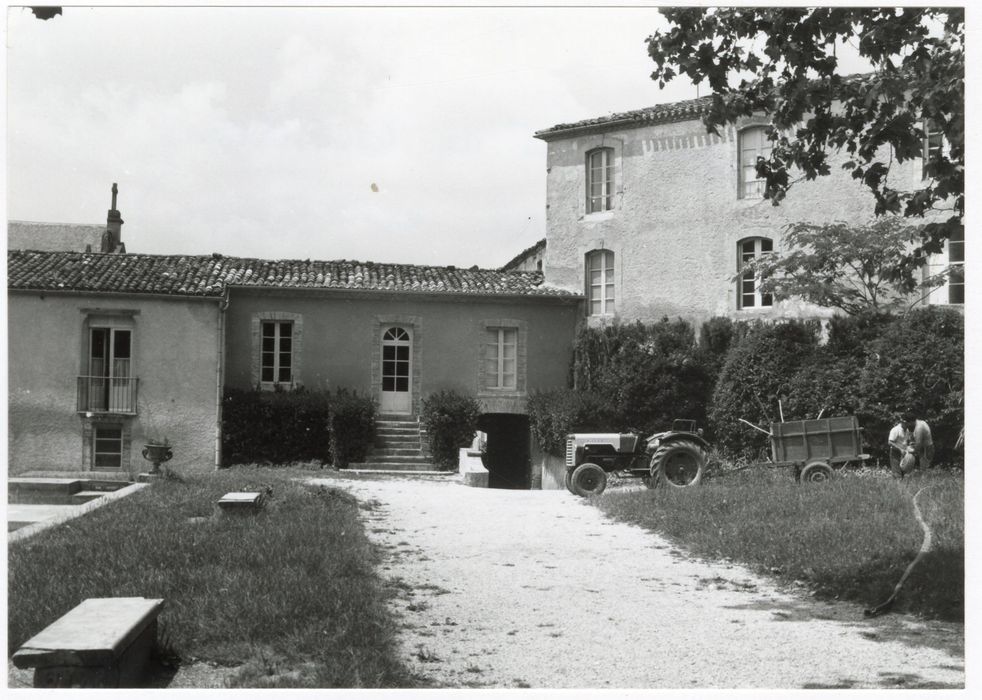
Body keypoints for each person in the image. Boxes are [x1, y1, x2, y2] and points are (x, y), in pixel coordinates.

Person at [887, 411, 934, 478]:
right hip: (899, 451)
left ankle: (925, 483)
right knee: (899, 472)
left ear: (911, 422)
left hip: (926, 449)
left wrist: (909, 451)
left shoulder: (918, 428)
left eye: (908, 423)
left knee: (924, 471)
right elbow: (890, 442)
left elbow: (918, 445)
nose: (908, 426)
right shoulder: (897, 429)